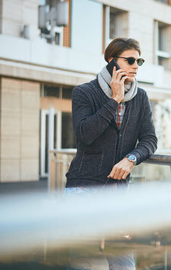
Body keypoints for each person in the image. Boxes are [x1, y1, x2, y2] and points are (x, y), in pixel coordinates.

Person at [64, 37, 158, 269]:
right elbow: (85, 134)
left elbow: (150, 139)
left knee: (124, 264)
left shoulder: (141, 97)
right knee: (82, 262)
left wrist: (131, 159)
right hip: (83, 189)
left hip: (118, 193)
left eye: (139, 61)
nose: (136, 66)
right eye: (130, 60)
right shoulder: (85, 93)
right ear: (111, 62)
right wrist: (114, 99)